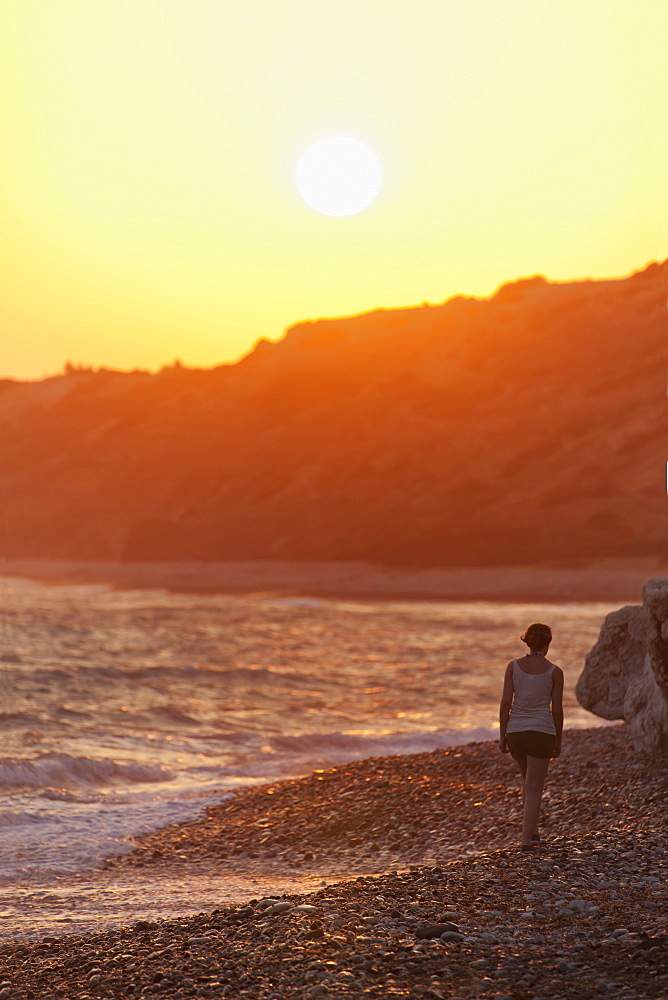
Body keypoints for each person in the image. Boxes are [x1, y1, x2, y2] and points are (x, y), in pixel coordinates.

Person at [498, 622, 564, 850]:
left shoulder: (512, 667)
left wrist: (502, 735)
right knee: (534, 788)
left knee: (527, 783)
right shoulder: (555, 672)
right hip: (541, 731)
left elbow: (506, 702)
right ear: (548, 643)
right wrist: (558, 739)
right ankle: (526, 841)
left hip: (515, 731)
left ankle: (533, 832)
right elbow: (556, 710)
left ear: (527, 641)